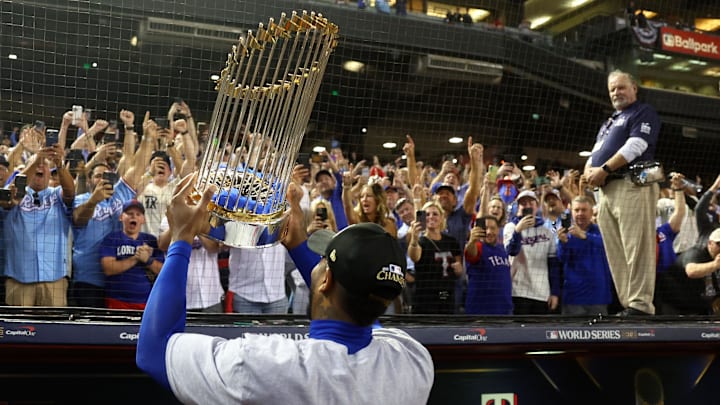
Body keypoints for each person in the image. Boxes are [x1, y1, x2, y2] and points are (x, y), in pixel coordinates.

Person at [136, 175, 434, 404]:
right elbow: (365, 307)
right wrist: (298, 245)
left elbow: (153, 349)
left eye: (320, 260)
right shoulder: (413, 361)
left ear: (326, 280)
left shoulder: (264, 365)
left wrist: (180, 238)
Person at [585, 69, 661, 316]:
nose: (616, 92)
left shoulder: (642, 112)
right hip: (606, 191)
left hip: (632, 184)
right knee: (616, 251)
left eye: (621, 87)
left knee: (637, 246)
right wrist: (588, 170)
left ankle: (640, 304)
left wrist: (604, 169)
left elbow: (637, 145)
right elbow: (596, 150)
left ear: (634, 88)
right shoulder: (608, 122)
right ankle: (629, 303)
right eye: (612, 89)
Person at [3, 145, 75, 306]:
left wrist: (60, 165)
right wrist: (38, 158)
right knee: (18, 329)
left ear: (50, 173)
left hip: (54, 279)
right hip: (19, 278)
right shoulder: (15, 193)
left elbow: (70, 192)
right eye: (36, 163)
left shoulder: (56, 194)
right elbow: (6, 199)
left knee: (54, 330)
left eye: (45, 164)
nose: (41, 165)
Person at [504, 190, 561, 315]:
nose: (527, 206)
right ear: (518, 207)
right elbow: (511, 251)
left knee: (538, 332)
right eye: (523, 203)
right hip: (518, 291)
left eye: (531, 202)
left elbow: (553, 266)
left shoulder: (547, 231)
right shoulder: (510, 227)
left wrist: (555, 293)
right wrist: (518, 231)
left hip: (542, 293)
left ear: (537, 206)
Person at [100, 199, 164, 309]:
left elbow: (163, 271)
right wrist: (136, 258)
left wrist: (148, 260)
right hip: (116, 301)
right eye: (129, 213)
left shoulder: (151, 241)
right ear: (121, 217)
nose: (133, 217)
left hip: (145, 302)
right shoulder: (111, 239)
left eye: (138, 214)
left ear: (143, 219)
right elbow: (108, 268)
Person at [556, 196, 614, 315]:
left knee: (600, 333)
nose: (580, 213)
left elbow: (609, 246)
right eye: (576, 210)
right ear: (571, 212)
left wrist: (585, 236)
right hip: (573, 297)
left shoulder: (601, 231)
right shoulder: (566, 234)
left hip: (598, 296)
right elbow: (561, 259)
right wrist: (563, 243)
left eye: (584, 210)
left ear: (592, 212)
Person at [407, 201, 463, 314]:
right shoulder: (421, 242)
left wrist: (458, 269)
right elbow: (415, 257)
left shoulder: (451, 241)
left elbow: (459, 270)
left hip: (447, 296)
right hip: (425, 298)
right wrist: (414, 238)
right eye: (427, 214)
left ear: (442, 217)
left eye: (435, 214)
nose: (431, 217)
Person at [464, 216, 512, 315]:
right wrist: (472, 241)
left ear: (498, 230)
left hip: (504, 310)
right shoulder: (478, 246)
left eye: (493, 228)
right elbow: (471, 253)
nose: (489, 232)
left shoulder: (502, 250)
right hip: (480, 311)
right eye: (485, 228)